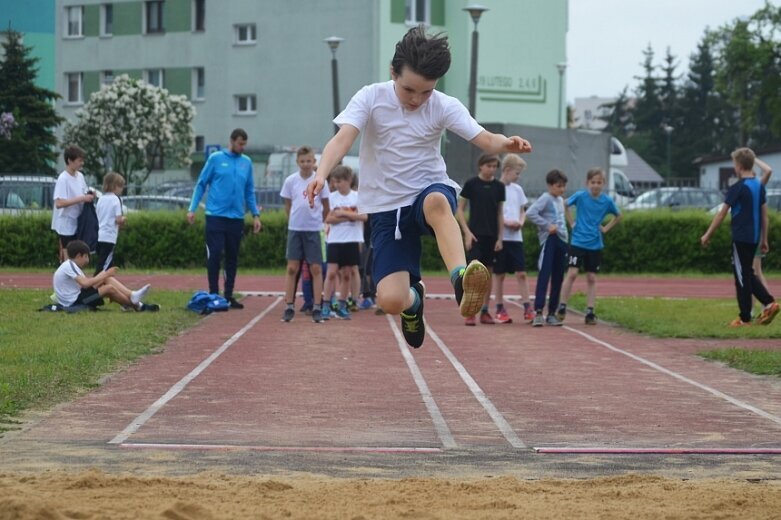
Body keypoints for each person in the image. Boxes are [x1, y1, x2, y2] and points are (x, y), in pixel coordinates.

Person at [306, 25, 532, 348]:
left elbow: (483, 137)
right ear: (393, 73)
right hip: (386, 209)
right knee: (390, 299)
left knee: (439, 202)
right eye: (409, 89)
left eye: (426, 92)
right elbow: (342, 138)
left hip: (426, 189)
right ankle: (414, 303)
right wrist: (320, 173)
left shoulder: (442, 105)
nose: (417, 99)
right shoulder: (371, 98)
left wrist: (506, 144)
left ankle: (461, 281)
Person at [701, 147, 779, 326]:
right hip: (753, 238)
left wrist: (707, 234)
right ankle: (769, 303)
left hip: (741, 237)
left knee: (741, 276)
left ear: (738, 165)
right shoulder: (758, 186)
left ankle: (745, 318)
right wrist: (764, 239)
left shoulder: (738, 187)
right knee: (748, 273)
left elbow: (721, 214)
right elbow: (764, 214)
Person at [187, 128, 261, 310]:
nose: (242, 147)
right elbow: (201, 183)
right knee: (215, 253)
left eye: (244, 144)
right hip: (215, 216)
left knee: (232, 256)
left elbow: (249, 190)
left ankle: (228, 296)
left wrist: (255, 215)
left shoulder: (246, 163)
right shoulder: (216, 159)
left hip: (236, 217)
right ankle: (214, 294)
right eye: (240, 144)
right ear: (232, 141)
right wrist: (192, 208)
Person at [556, 168, 622, 325]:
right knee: (572, 274)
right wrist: (571, 222)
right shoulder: (580, 196)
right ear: (587, 183)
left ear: (603, 184)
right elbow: (564, 204)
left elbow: (618, 215)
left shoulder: (607, 201)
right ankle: (562, 306)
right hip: (578, 242)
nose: (596, 185)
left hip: (595, 244)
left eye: (599, 182)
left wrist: (605, 228)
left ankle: (590, 311)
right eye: (593, 182)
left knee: (591, 277)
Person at [281, 145, 330, 323]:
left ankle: (317, 306)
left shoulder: (320, 181)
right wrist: (292, 220)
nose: (305, 164)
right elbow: (288, 204)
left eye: (309, 161)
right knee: (292, 268)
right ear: (297, 162)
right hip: (295, 229)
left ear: (314, 161)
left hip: (314, 229)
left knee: (316, 268)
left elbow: (326, 207)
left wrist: (319, 222)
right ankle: (289, 305)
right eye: (302, 161)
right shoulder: (290, 181)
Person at [456, 153, 505, 326]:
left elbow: (500, 213)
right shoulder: (471, 184)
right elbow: (460, 210)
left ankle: (485, 310)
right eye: (489, 166)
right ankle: (471, 311)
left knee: (488, 273)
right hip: (474, 235)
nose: (491, 169)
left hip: (491, 236)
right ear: (481, 166)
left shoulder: (499, 187)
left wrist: (500, 237)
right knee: (472, 274)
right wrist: (466, 233)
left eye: (494, 166)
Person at [53, 239, 158, 312]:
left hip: (79, 296)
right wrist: (104, 274)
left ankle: (132, 296)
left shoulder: (71, 266)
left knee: (107, 279)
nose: (87, 261)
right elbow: (85, 284)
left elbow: (86, 286)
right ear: (79, 255)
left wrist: (104, 277)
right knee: (109, 289)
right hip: (75, 302)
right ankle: (138, 306)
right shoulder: (69, 265)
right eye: (86, 257)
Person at [321, 165, 367, 320]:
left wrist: (342, 213)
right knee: (332, 272)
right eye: (334, 182)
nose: (336, 185)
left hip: (352, 240)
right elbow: (328, 218)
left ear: (348, 180)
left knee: (347, 274)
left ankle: (342, 305)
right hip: (335, 240)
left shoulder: (357, 196)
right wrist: (350, 216)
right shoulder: (332, 198)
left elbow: (364, 217)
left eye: (339, 181)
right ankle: (326, 304)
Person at [493, 154, 534, 324]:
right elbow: (495, 213)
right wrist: (506, 222)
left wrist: (521, 222)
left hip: (516, 238)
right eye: (517, 173)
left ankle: (527, 307)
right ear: (507, 170)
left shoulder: (518, 190)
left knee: (522, 273)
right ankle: (499, 307)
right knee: (500, 274)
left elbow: (522, 210)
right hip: (501, 237)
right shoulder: (495, 188)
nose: (518, 176)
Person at [526, 169, 568, 327]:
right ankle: (538, 311)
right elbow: (531, 213)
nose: (562, 189)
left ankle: (552, 312)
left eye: (563, 186)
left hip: (562, 241)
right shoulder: (545, 198)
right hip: (550, 240)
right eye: (559, 186)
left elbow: (562, 220)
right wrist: (546, 226)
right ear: (550, 185)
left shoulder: (560, 200)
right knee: (545, 274)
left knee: (558, 277)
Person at [51, 145, 95, 262]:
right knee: (69, 256)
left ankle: (73, 278)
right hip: (66, 224)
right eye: (79, 160)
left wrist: (89, 195)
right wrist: (82, 198)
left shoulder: (80, 176)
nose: (82, 163)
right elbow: (59, 203)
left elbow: (83, 193)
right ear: (70, 161)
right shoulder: (63, 179)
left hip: (78, 222)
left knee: (77, 255)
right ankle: (66, 277)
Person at [94, 172, 127, 275]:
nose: (121, 189)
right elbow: (118, 219)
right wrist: (123, 219)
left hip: (99, 235)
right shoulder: (116, 200)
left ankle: (108, 285)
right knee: (104, 265)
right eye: (120, 186)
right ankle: (94, 285)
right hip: (109, 237)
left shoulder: (101, 199)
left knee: (107, 264)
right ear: (114, 186)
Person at [752, 158, 773, 316]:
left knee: (754, 272)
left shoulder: (757, 186)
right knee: (754, 271)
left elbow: (768, 170)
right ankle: (760, 306)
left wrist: (753, 158)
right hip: (750, 234)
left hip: (754, 234)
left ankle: (765, 305)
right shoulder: (745, 187)